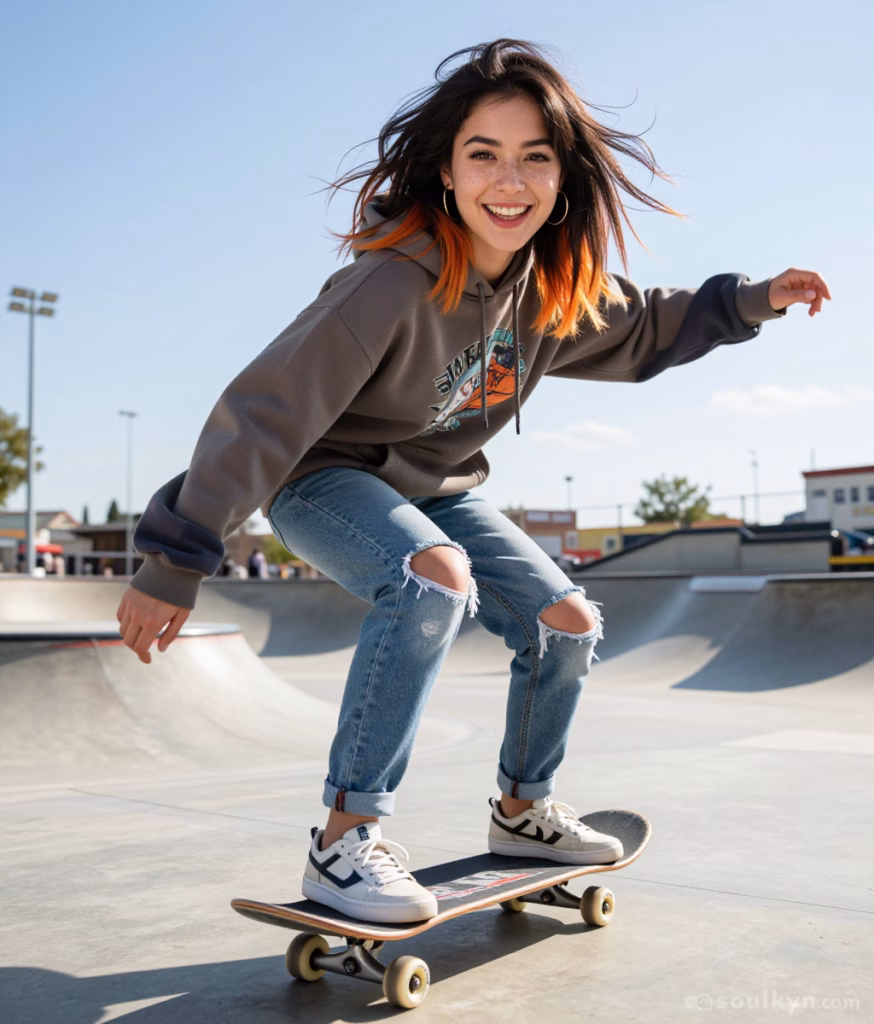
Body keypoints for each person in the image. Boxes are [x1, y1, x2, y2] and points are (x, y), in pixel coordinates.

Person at [115, 39, 830, 924]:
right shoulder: (388, 282)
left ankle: (524, 813)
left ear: (562, 179)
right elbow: (267, 410)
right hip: (322, 478)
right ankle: (344, 843)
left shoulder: (548, 289)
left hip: (436, 487)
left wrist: (753, 299)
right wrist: (175, 558)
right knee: (431, 579)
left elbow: (644, 329)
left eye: (535, 158)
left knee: (565, 622)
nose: (510, 181)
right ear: (448, 173)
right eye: (483, 154)